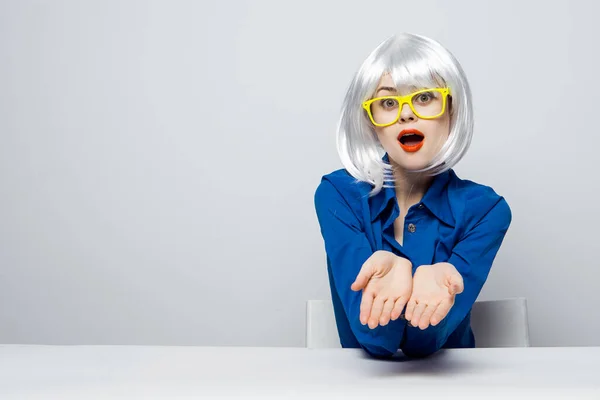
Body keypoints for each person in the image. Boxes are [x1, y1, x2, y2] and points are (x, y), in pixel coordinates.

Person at [313, 32, 512, 358]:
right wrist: (398, 272)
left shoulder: (487, 212)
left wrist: (430, 279)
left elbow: (426, 344)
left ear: (451, 108)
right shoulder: (338, 196)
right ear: (371, 121)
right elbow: (373, 339)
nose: (406, 114)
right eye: (388, 102)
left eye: (424, 97)